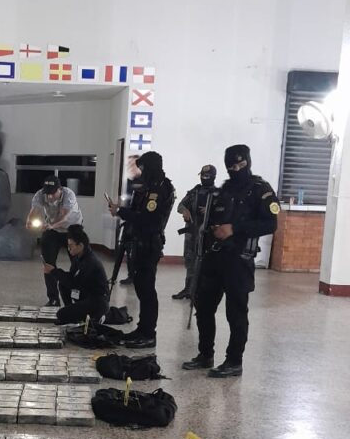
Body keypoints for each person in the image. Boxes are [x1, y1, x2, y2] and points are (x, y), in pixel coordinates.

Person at [182, 144, 279, 378]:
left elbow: (270, 224)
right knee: (204, 307)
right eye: (231, 166)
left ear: (248, 162)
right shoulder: (223, 190)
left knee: (235, 313)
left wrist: (235, 228)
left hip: (239, 261)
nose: (236, 169)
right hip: (214, 257)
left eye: (241, 164)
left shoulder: (260, 190)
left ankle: (234, 361)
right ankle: (205, 354)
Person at [108, 150, 175, 348]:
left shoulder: (160, 189)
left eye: (143, 168)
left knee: (147, 290)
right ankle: (142, 329)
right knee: (140, 287)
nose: (141, 172)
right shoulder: (148, 186)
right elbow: (137, 211)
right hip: (139, 241)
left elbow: (147, 218)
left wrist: (120, 211)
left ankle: (148, 334)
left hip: (149, 244)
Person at [26, 176, 83, 306]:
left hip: (72, 228)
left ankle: (78, 296)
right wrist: (29, 221)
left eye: (53, 193)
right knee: (48, 263)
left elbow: (65, 217)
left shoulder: (69, 195)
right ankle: (53, 299)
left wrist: (51, 225)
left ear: (60, 189)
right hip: (52, 230)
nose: (50, 196)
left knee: (78, 265)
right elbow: (34, 211)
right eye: (48, 193)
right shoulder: (40, 194)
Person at [44, 224, 110, 325]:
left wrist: (54, 271)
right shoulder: (78, 257)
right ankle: (73, 312)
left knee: (61, 314)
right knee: (62, 284)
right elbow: (71, 277)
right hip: (86, 294)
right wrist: (55, 272)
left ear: (80, 246)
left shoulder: (90, 262)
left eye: (71, 246)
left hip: (97, 301)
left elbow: (74, 283)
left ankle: (94, 316)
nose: (69, 249)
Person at [172, 164, 218, 300]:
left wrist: (210, 211)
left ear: (213, 177)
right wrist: (185, 211)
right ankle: (188, 289)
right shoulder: (195, 191)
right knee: (190, 261)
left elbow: (224, 214)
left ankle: (200, 291)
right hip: (192, 233)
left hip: (208, 235)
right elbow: (180, 205)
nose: (204, 178)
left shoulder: (218, 194)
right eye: (203, 176)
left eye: (207, 176)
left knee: (205, 263)